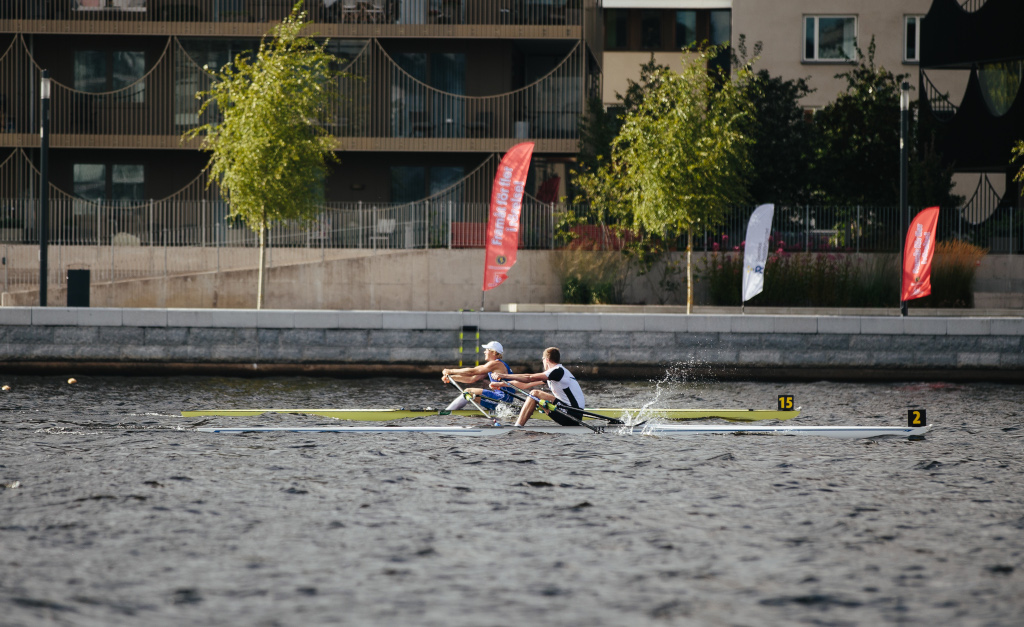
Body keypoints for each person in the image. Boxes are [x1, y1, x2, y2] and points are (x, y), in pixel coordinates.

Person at [491, 347, 585, 427]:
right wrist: (500, 384)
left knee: (534, 393)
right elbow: (524, 385)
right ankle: (523, 423)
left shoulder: (557, 371)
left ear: (546, 360)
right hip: (568, 412)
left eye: (543, 360)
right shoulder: (554, 374)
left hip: (572, 414)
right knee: (534, 395)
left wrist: (504, 376)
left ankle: (517, 427)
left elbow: (529, 378)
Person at [440, 341, 520, 416]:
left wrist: (450, 370)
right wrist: (452, 378)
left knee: (468, 391)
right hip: (502, 398)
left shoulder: (496, 364)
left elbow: (472, 371)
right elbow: (472, 378)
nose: (484, 352)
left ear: (494, 352)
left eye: (486, 350)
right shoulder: (491, 366)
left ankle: (446, 412)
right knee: (471, 393)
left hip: (503, 398)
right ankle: (449, 411)